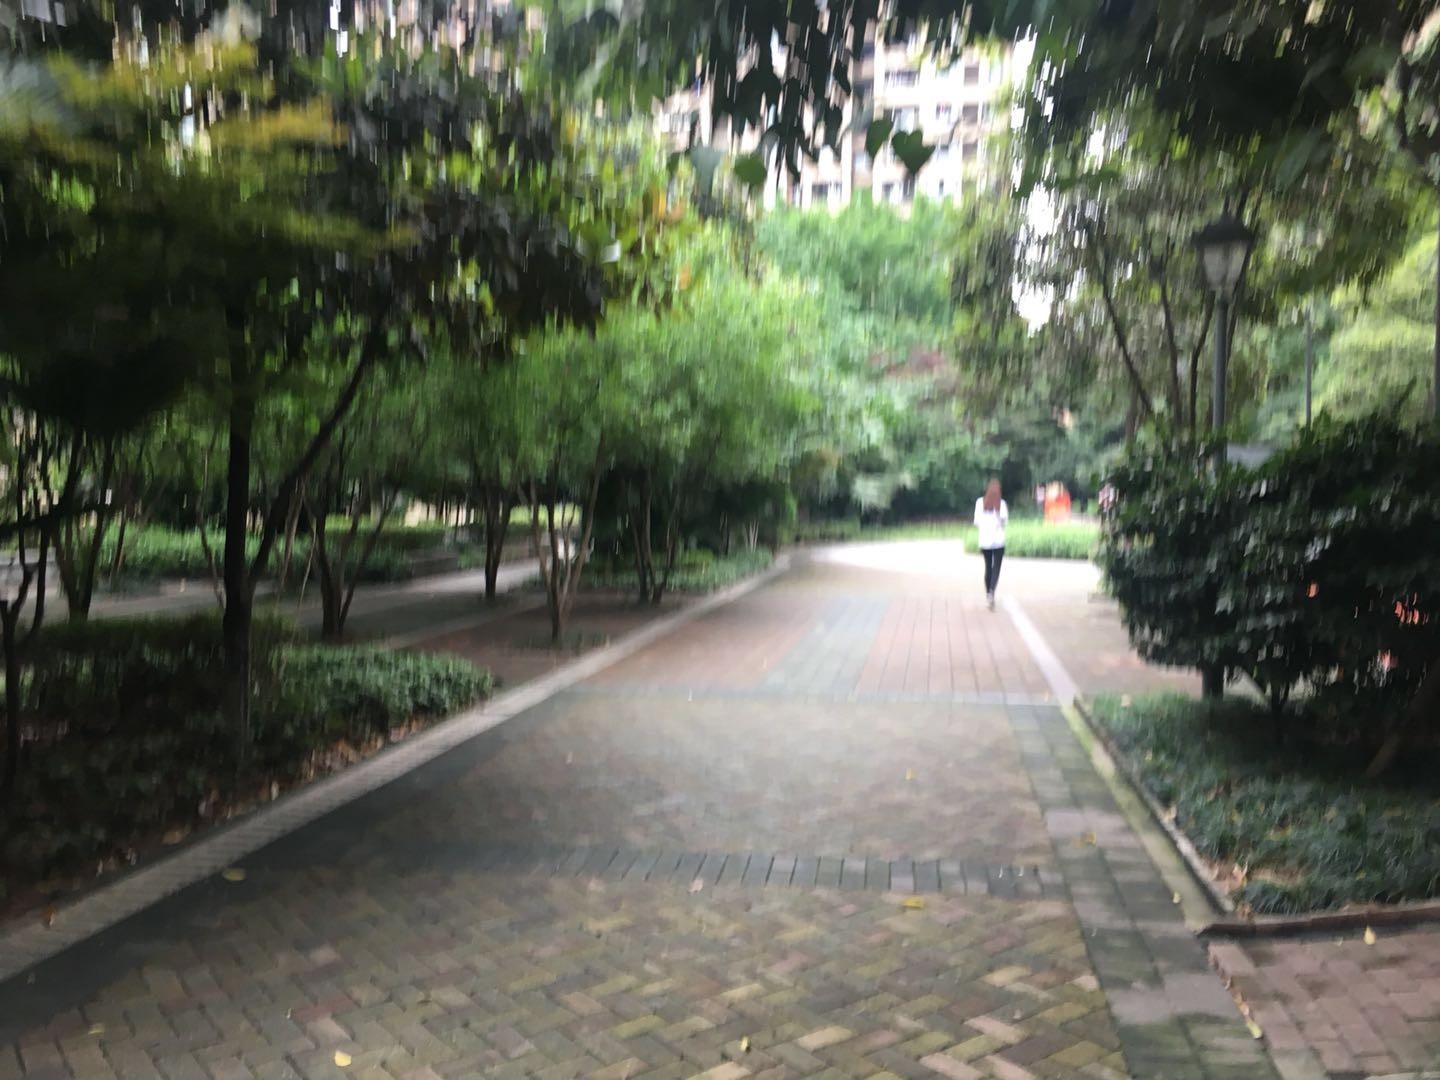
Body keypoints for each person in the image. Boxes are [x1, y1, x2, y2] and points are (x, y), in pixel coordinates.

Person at [974, 478, 1007, 611]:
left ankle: (988, 593)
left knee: (988, 567)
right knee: (996, 568)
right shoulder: (1001, 504)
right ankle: (992, 592)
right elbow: (1004, 522)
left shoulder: (979, 503)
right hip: (998, 540)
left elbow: (976, 522)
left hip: (985, 541)